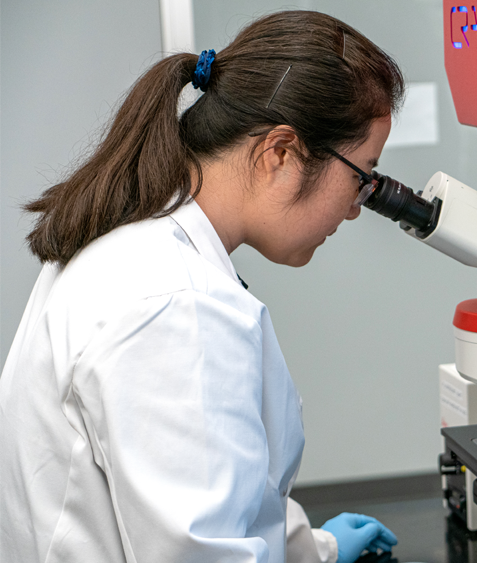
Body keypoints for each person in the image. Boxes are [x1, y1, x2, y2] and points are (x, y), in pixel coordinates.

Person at [0, 10, 404, 563]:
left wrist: (316, 549)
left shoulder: (131, 242)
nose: (356, 210)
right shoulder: (175, 306)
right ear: (280, 153)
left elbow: (204, 485)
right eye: (360, 176)